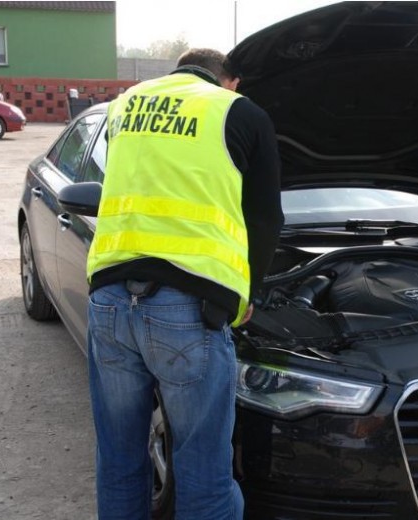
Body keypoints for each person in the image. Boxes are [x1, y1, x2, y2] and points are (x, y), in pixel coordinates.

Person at [85, 48, 283, 519]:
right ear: (230, 81)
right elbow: (264, 217)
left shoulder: (125, 103)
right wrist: (246, 293)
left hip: (109, 299)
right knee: (203, 473)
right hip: (189, 308)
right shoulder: (238, 111)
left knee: (119, 459)